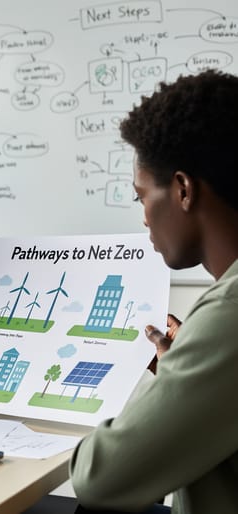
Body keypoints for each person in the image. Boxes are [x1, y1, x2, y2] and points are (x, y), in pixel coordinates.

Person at [69, 69, 238, 513]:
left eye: (141, 196)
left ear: (183, 190)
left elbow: (99, 476)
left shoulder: (229, 314)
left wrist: (174, 377)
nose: (144, 217)